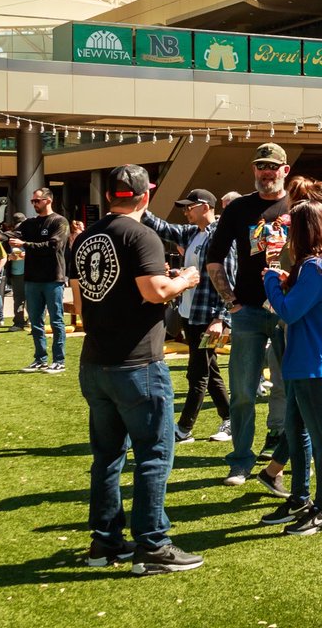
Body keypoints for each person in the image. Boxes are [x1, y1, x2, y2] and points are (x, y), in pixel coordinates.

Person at [70, 164, 203, 574]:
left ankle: (105, 542)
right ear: (147, 195)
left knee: (107, 456)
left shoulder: (88, 236)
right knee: (153, 454)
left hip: (95, 359)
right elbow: (154, 290)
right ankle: (152, 544)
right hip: (137, 362)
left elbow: (79, 300)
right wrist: (186, 280)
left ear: (111, 195)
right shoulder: (141, 234)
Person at [257, 201, 322, 535]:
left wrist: (270, 278)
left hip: (313, 360)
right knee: (296, 433)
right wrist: (285, 281)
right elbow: (307, 304)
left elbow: (289, 311)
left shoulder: (317, 266)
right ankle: (299, 498)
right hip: (306, 359)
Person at [205, 143, 293, 486]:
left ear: (285, 170)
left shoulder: (297, 206)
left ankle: (281, 453)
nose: (265, 172)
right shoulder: (239, 208)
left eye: (272, 166)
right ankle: (240, 461)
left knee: (288, 386)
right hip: (249, 312)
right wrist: (231, 302)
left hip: (288, 311)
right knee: (242, 390)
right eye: (260, 166)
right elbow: (214, 259)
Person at [142, 188, 234, 442]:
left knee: (198, 373)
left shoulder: (221, 236)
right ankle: (230, 419)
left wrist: (221, 319)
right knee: (209, 369)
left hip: (210, 318)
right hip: (190, 314)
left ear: (205, 206)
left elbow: (229, 280)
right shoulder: (193, 233)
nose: (185, 212)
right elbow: (164, 228)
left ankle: (184, 428)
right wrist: (140, 206)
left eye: (189, 207)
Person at [9, 187, 69, 374]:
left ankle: (59, 360)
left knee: (57, 321)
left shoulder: (60, 221)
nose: (34, 204)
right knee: (35, 321)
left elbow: (53, 245)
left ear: (48, 200)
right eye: (33, 201)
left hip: (53, 278)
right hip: (32, 279)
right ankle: (40, 359)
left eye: (37, 201)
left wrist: (25, 244)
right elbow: (12, 236)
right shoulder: (30, 223)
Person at [5, 212, 28, 331]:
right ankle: (19, 322)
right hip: (16, 273)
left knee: (32, 298)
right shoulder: (8, 238)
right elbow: (2, 255)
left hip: (30, 272)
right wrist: (9, 256)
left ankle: (32, 321)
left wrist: (27, 255)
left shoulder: (31, 236)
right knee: (18, 298)